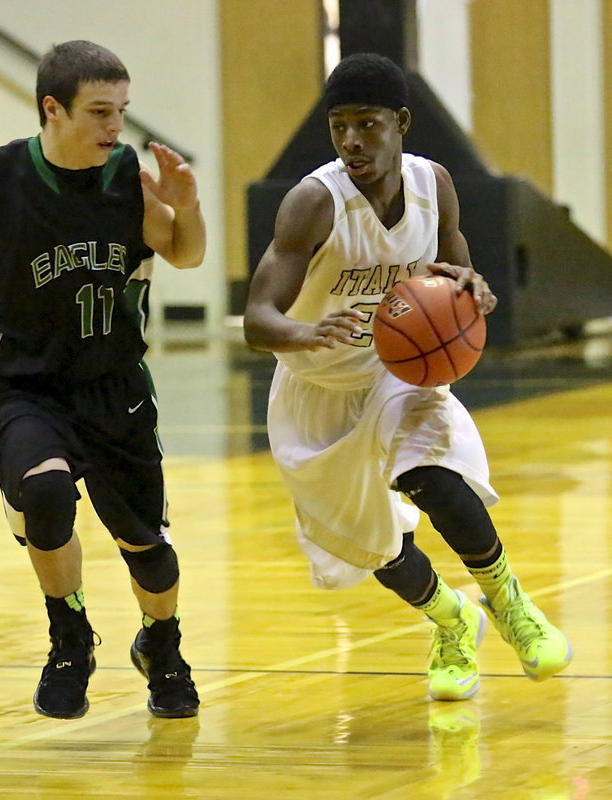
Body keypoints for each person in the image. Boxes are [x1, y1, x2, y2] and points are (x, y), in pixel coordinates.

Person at [244, 52, 571, 700]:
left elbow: (453, 267)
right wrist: (301, 333)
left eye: (365, 124)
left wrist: (469, 288)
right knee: (374, 549)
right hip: (316, 390)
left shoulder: (434, 184)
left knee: (432, 478)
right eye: (338, 126)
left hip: (396, 371)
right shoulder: (314, 202)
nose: (350, 140)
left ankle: (507, 603)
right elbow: (256, 318)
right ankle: (451, 621)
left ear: (400, 122)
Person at [0, 40, 205, 719]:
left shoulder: (128, 182)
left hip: (113, 388)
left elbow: (186, 253)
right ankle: (69, 635)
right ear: (52, 109)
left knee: (148, 550)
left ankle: (162, 646)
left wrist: (186, 203)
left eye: (122, 112)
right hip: (23, 386)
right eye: (100, 112)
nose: (116, 129)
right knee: (46, 495)